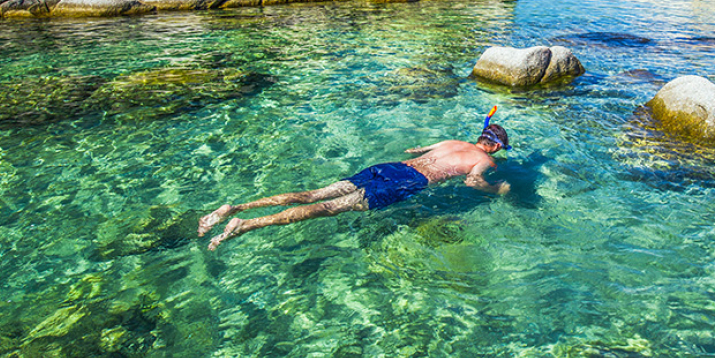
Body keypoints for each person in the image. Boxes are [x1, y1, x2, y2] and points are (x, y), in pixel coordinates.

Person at [199, 107, 511, 250]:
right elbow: (473, 182)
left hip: (389, 167)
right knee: (326, 209)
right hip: (405, 184)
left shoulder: (449, 142)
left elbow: (414, 148)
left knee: (313, 195)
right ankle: (246, 225)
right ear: (496, 146)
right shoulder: (485, 160)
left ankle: (235, 208)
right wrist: (497, 189)